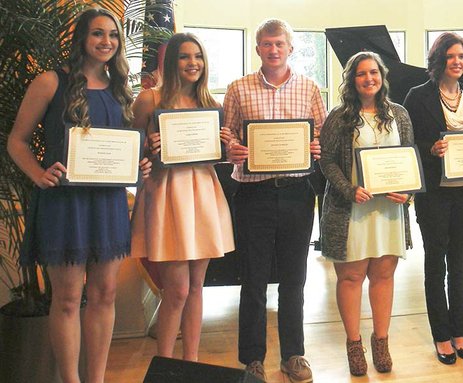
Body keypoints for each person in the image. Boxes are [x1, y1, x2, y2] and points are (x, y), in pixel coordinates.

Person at [7, 7, 151, 383]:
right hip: (64, 204)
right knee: (68, 299)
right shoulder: (50, 82)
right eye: (98, 34)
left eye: (113, 36)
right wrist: (38, 173)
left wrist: (140, 167)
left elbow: (122, 150)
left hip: (108, 204)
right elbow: (16, 141)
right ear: (81, 39)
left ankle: (96, 379)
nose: (107, 42)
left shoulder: (122, 90)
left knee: (104, 296)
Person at [224, 18, 325, 383]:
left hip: (298, 193)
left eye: (279, 43)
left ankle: (293, 355)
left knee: (294, 279)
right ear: (258, 49)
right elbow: (228, 136)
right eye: (267, 44)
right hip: (254, 192)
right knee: (252, 279)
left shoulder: (310, 88)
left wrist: (316, 147)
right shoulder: (238, 88)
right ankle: (252, 360)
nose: (273, 50)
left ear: (290, 48)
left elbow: (321, 136)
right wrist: (232, 148)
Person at [130, 33, 235, 361]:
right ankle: (164, 367)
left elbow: (220, 159)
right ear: (171, 61)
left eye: (198, 57)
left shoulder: (211, 104)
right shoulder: (149, 99)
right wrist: (147, 149)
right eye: (185, 57)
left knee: (195, 288)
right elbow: (129, 149)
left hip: (202, 194)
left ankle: (190, 364)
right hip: (166, 195)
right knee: (174, 290)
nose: (193, 64)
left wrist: (226, 145)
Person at [403, 32, 463, 365]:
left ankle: (460, 331)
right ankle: (441, 336)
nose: (457, 62)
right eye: (450, 57)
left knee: (459, 264)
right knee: (435, 264)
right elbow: (410, 146)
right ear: (439, 60)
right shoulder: (417, 97)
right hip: (434, 194)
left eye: (461, 57)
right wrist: (431, 150)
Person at [318, 51, 413, 376]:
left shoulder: (399, 114)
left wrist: (408, 191)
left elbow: (409, 161)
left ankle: (381, 342)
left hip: (388, 210)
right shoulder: (339, 116)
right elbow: (326, 161)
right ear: (352, 79)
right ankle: (354, 344)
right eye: (361, 74)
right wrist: (348, 189)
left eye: (374, 72)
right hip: (352, 211)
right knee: (351, 277)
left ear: (381, 77)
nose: (368, 78)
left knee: (383, 276)